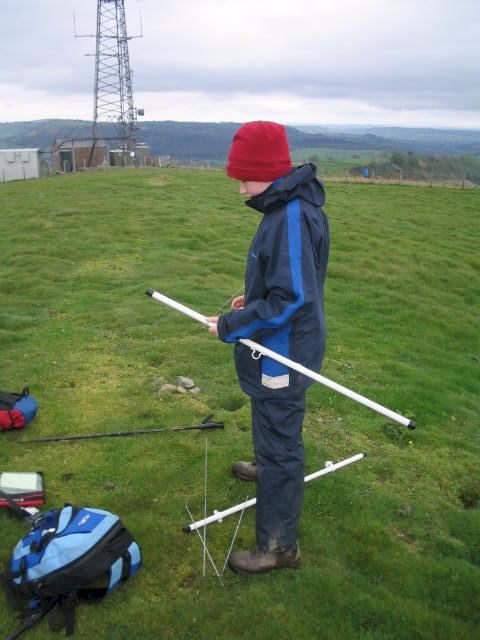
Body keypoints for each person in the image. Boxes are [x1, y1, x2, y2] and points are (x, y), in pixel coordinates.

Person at [206, 121, 329, 575]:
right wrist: (250, 301)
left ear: (269, 172)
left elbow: (293, 299)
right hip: (277, 344)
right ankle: (267, 465)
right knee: (267, 412)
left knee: (281, 434)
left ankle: (279, 546)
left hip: (284, 351)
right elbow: (287, 284)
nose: (240, 188)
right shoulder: (287, 207)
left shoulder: (292, 216)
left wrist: (234, 324)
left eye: (244, 178)